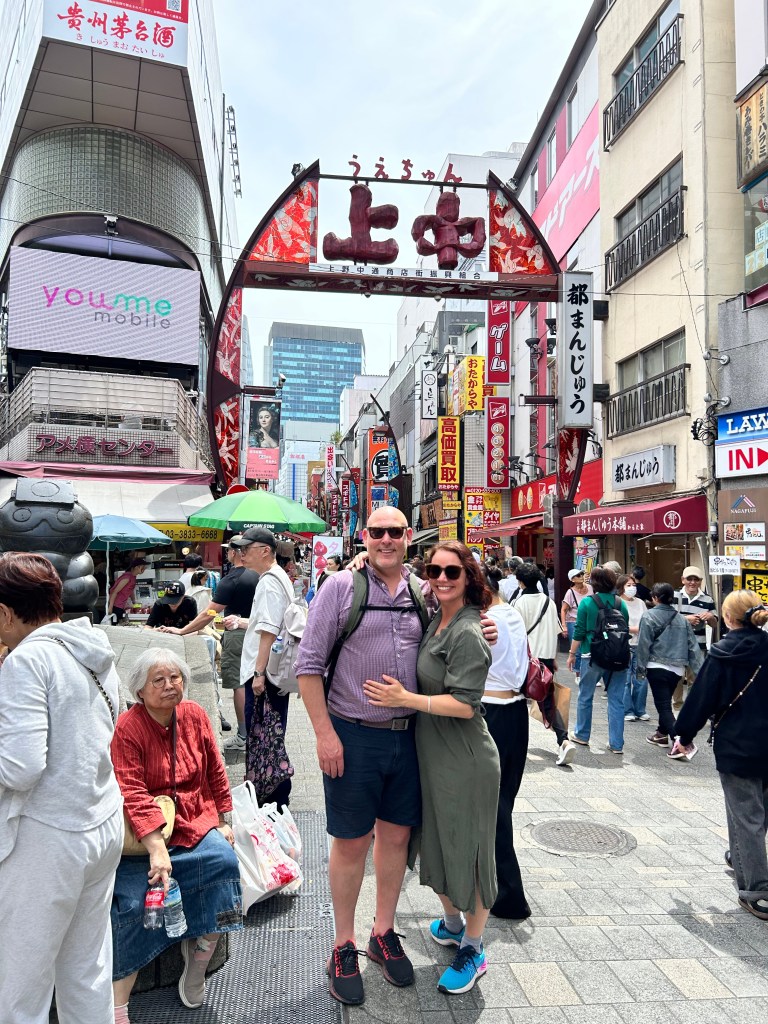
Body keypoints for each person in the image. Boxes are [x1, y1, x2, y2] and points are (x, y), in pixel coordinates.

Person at [364, 541, 499, 996]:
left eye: (452, 573)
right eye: (434, 570)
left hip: (465, 761)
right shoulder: (434, 616)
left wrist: (408, 700)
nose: (441, 578)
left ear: (469, 578)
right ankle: (453, 921)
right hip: (433, 757)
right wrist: (364, 561)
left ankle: (474, 949)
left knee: (471, 852)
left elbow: (465, 704)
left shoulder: (467, 630)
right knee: (434, 844)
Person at [0, 552, 123, 1024]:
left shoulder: (28, 661)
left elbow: (21, 767)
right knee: (87, 969)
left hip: (48, 835)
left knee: (20, 984)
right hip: (99, 821)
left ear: (6, 613)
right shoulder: (92, 644)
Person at [110, 649, 242, 1021]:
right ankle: (119, 1002)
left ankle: (197, 961)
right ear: (140, 690)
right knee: (135, 901)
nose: (170, 686)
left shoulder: (195, 715)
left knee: (224, 863)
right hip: (144, 837)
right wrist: (155, 847)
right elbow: (131, 791)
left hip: (195, 821)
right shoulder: (129, 728)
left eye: (176, 678)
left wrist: (223, 819)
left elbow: (215, 769)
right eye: (159, 680)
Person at [674, 592, 768, 918]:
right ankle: (741, 856)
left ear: (728, 618)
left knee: (748, 817)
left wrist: (683, 736)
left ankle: (757, 889)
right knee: (756, 814)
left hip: (738, 746)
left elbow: (701, 699)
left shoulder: (723, 654)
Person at [163, 537, 259, 749]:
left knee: (239, 684)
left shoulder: (232, 579)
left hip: (237, 635)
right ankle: (258, 732)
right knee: (257, 682)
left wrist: (184, 630)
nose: (226, 554)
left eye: (228, 550)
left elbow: (211, 612)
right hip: (261, 634)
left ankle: (244, 736)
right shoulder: (260, 575)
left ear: (235, 552)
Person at [482, 567, 531, 920]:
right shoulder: (511, 612)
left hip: (493, 712)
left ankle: (509, 895)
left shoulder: (486, 623)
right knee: (502, 804)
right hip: (516, 712)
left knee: (492, 809)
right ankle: (498, 885)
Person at [234, 528, 294, 807]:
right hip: (273, 671)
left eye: (247, 548)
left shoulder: (269, 581)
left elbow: (269, 629)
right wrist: (244, 622)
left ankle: (272, 795)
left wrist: (258, 673)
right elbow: (269, 622)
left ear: (265, 551)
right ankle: (271, 791)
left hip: (265, 673)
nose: (241, 554)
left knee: (264, 734)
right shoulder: (277, 578)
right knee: (270, 731)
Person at [515, 561, 575, 767]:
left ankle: (517, 745)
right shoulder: (549, 603)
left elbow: (516, 636)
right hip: (546, 659)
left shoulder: (518, 604)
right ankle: (563, 740)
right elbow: (555, 631)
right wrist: (553, 659)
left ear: (520, 582)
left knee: (517, 701)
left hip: (526, 660)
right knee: (547, 701)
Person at [567, 567, 629, 755]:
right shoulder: (620, 603)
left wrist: (571, 654)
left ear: (594, 583)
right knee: (616, 700)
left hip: (592, 655)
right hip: (619, 656)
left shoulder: (587, 603)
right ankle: (616, 744)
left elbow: (578, 631)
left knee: (586, 696)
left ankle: (582, 735)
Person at [635, 582, 704, 752]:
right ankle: (661, 733)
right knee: (665, 701)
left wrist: (640, 669)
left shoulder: (649, 616)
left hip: (656, 665)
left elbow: (643, 645)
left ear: (655, 598)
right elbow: (693, 647)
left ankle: (681, 741)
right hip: (677, 668)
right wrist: (700, 672)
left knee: (663, 706)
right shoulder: (681, 618)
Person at [616, 574, 648, 723]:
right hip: (625, 645)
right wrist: (632, 629)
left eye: (633, 585)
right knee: (626, 679)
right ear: (621, 587)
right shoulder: (617, 603)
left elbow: (647, 620)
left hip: (641, 645)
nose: (632, 588)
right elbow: (615, 623)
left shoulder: (641, 602)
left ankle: (640, 709)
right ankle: (627, 710)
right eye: (628, 585)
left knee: (641, 678)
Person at [675, 566, 718, 657]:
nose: (693, 582)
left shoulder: (708, 600)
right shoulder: (673, 596)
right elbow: (664, 620)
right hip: (675, 647)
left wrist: (710, 617)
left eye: (696, 579)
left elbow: (714, 624)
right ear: (683, 580)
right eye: (689, 579)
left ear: (701, 581)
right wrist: (685, 619)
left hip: (698, 648)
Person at [560, 568, 593, 685]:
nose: (581, 576)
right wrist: (564, 626)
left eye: (582, 574)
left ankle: (591, 673)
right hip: (574, 621)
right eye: (578, 575)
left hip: (589, 620)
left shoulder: (590, 588)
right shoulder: (570, 592)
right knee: (577, 649)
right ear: (572, 579)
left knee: (590, 647)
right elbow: (564, 610)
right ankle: (578, 673)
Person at [107, 557, 148, 622]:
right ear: (136, 567)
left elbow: (130, 590)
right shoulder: (127, 577)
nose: (144, 569)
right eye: (142, 567)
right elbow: (114, 592)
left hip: (120, 606)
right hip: (116, 606)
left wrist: (134, 602)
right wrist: (110, 607)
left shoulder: (133, 577)